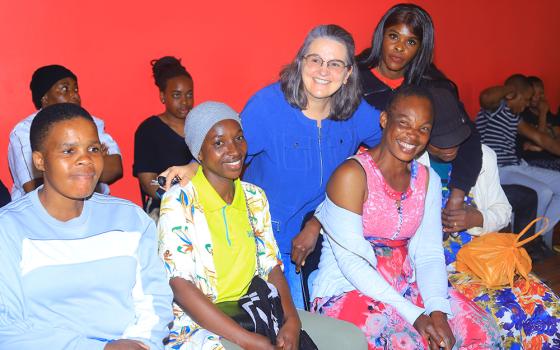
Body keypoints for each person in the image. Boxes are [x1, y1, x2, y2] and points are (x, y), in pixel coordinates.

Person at [159, 24, 382, 308]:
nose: (323, 71)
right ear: (301, 62)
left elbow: (392, 146)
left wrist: (318, 222)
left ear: (348, 73)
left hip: (331, 237)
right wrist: (193, 166)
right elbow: (227, 151)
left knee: (355, 312)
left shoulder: (357, 112)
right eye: (315, 60)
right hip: (270, 244)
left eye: (335, 63)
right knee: (294, 322)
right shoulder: (268, 106)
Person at [158, 101, 367, 350]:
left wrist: (292, 320)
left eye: (239, 138)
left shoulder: (254, 197)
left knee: (349, 339)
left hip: (256, 308)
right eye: (218, 143)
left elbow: (271, 266)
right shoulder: (180, 200)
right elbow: (181, 285)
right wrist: (248, 341)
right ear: (198, 153)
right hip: (202, 324)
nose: (234, 150)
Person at [311, 86, 501, 349]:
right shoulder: (352, 175)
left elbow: (429, 254)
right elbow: (352, 263)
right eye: (404, 123)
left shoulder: (427, 180)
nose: (413, 135)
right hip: (349, 288)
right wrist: (416, 317)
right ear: (385, 120)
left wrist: (437, 312)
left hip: (406, 285)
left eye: (423, 128)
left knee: (481, 332)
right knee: (407, 343)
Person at [0, 103, 173, 349]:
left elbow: (155, 299)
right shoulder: (8, 229)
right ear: (39, 161)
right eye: (69, 151)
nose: (85, 160)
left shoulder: (130, 220)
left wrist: (142, 342)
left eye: (93, 149)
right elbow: (6, 327)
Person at [420, 89, 560, 348]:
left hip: (485, 257)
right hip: (442, 269)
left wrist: (477, 217)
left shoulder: (483, 156)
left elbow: (503, 211)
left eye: (456, 138)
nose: (450, 147)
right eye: (442, 140)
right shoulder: (412, 163)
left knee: (546, 304)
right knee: (504, 315)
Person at [357, 3, 483, 227]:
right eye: (393, 36)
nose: (399, 48)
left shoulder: (432, 85)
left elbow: (469, 137)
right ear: (381, 35)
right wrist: (426, 144)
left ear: (421, 48)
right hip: (362, 185)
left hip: (416, 191)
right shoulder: (354, 78)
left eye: (411, 42)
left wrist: (457, 195)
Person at [8, 64, 122, 200]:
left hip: (96, 208)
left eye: (76, 89)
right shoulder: (25, 131)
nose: (74, 95)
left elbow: (115, 168)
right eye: (64, 89)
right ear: (45, 98)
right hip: (38, 215)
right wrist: (95, 160)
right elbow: (34, 185)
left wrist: (64, 167)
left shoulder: (92, 122)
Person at [476, 74, 560, 248]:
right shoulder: (495, 109)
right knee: (543, 192)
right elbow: (485, 98)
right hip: (499, 169)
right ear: (513, 95)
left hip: (517, 165)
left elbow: (542, 139)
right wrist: (510, 90)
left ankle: (538, 235)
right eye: (527, 99)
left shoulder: (514, 118)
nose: (528, 104)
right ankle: (527, 242)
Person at [133, 56, 194, 219]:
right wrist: (176, 202)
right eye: (176, 95)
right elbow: (147, 183)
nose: (184, 102)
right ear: (162, 96)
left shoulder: (201, 126)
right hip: (164, 208)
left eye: (189, 95)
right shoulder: (149, 130)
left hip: (203, 204)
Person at [518, 76, 560, 171]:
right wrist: (542, 114)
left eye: (541, 93)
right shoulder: (523, 116)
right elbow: (540, 140)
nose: (537, 97)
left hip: (554, 158)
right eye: (534, 94)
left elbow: (558, 135)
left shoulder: (551, 116)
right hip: (534, 161)